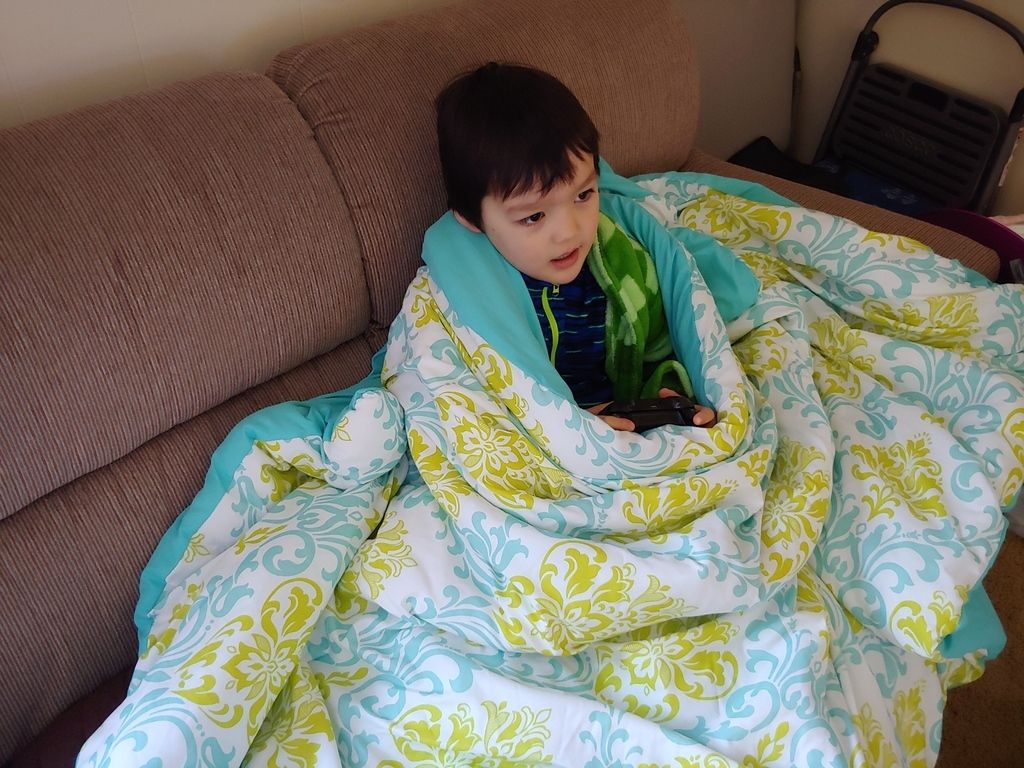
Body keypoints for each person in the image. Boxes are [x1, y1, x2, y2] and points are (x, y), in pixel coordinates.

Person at [435, 62, 715, 431]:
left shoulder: (621, 264)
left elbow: (663, 345)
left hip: (626, 425)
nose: (570, 232)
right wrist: (571, 426)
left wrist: (668, 398)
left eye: (583, 195)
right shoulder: (469, 297)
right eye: (534, 217)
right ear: (474, 220)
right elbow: (461, 400)